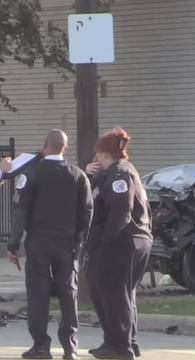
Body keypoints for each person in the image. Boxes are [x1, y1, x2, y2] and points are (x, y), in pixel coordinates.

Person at [8, 130, 93, 360]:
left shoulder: (32, 173)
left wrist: (14, 244)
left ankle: (41, 346)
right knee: (68, 293)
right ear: (65, 148)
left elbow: (20, 211)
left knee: (38, 292)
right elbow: (87, 210)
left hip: (39, 242)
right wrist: (80, 239)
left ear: (45, 145)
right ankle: (70, 347)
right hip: (67, 243)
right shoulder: (78, 175)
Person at [85, 128, 152, 360]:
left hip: (120, 242)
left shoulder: (118, 174)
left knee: (112, 294)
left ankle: (119, 346)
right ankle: (126, 342)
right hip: (136, 238)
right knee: (124, 293)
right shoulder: (125, 170)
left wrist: (105, 238)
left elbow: (120, 210)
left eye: (97, 156)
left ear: (103, 154)